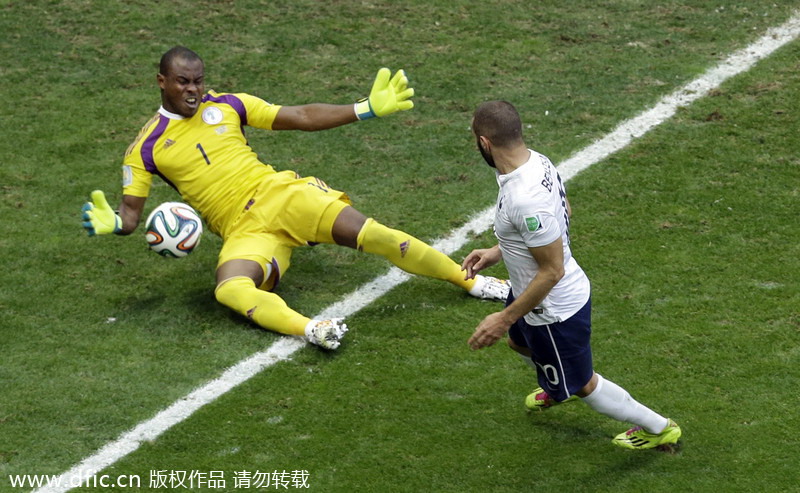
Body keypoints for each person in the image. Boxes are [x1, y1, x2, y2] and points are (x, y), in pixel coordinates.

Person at [81, 46, 509, 350]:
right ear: (162, 81)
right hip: (243, 230)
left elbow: (300, 116)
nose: (192, 91)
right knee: (229, 291)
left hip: (282, 195)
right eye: (182, 83)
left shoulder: (229, 105)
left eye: (197, 81)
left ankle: (469, 280)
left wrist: (364, 108)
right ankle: (312, 329)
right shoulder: (146, 147)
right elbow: (132, 216)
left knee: (374, 235)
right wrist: (116, 223)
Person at [461, 100, 681, 450]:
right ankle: (556, 382)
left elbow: (552, 271)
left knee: (584, 384)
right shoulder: (536, 162)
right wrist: (498, 251)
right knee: (519, 343)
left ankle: (658, 428)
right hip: (528, 292)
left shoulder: (524, 198)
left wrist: (503, 318)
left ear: (485, 143)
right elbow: (563, 212)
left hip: (552, 308)